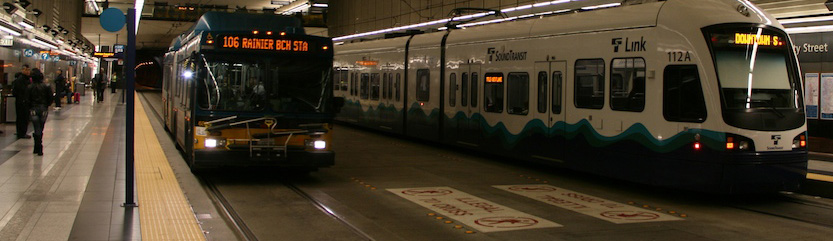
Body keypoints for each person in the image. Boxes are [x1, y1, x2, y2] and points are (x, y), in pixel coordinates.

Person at [25, 68, 52, 156]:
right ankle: (38, 146)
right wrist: (46, 105)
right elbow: (50, 99)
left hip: (34, 109)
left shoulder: (29, 87)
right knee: (41, 127)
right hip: (43, 109)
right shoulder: (46, 86)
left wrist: (30, 107)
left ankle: (37, 147)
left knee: (36, 127)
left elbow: (27, 99)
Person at [11, 64, 31, 139]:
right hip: (22, 101)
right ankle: (22, 133)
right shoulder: (21, 80)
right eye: (26, 70)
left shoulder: (26, 79)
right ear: (22, 70)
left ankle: (21, 132)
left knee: (22, 118)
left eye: (28, 70)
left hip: (23, 101)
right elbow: (19, 91)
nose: (28, 71)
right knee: (22, 118)